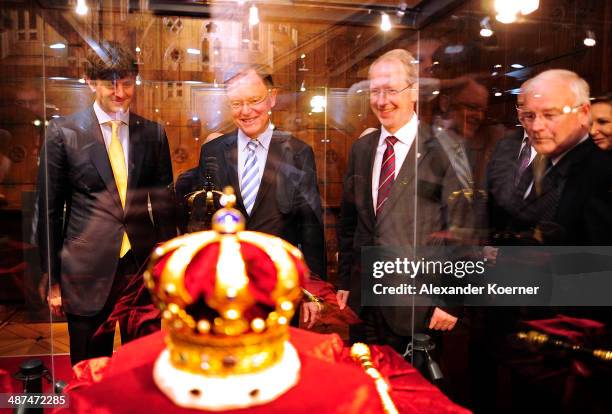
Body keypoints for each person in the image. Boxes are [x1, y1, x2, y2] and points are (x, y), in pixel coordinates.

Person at [36, 40, 176, 365]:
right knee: (88, 368)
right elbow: (49, 211)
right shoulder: (63, 133)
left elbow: (165, 207)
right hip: (85, 270)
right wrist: (53, 280)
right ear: (90, 81)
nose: (120, 93)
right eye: (110, 84)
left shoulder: (152, 133)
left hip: (141, 268)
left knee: (142, 367)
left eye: (127, 83)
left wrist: (170, 268)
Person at [336, 49, 463, 355]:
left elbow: (462, 232)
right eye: (375, 91)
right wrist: (344, 281)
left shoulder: (445, 149)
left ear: (414, 92)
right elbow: (350, 222)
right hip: (363, 302)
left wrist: (450, 300)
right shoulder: (362, 149)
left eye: (391, 90)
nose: (382, 101)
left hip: (417, 308)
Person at [196, 65, 326, 327]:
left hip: (280, 288)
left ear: (272, 98)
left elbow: (310, 226)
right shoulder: (212, 151)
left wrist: (313, 291)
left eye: (254, 100)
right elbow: (201, 224)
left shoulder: (298, 153)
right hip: (224, 290)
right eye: (237, 103)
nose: (246, 111)